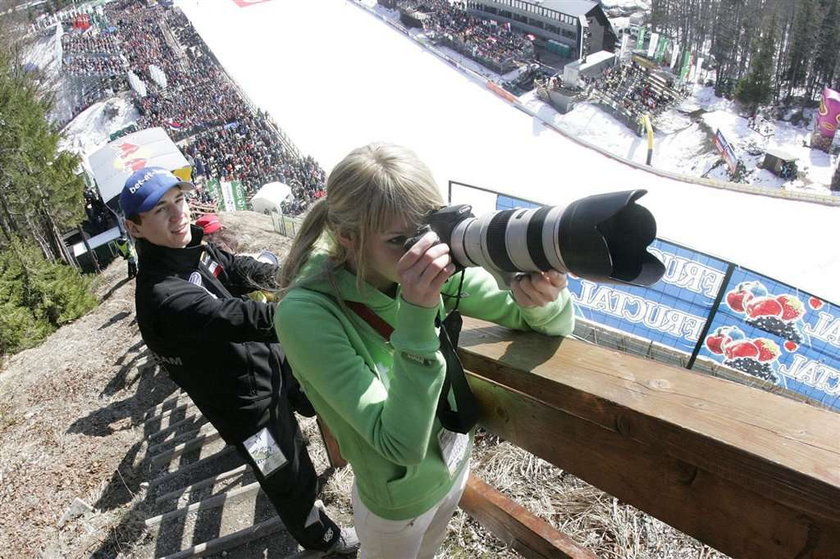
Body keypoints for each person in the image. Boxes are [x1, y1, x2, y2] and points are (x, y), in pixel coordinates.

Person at [274, 143, 575, 559]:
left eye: (428, 233)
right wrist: (417, 315)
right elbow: (398, 444)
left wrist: (543, 296)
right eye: (400, 239)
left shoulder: (409, 266)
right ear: (347, 236)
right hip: (397, 504)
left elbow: (543, 320)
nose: (420, 252)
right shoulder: (306, 315)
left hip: (453, 467)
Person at [119, 167, 358, 557]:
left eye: (179, 200)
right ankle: (322, 538)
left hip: (272, 367)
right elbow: (252, 319)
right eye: (160, 209)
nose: (178, 214)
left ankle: (331, 468)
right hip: (247, 415)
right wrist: (320, 303)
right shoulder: (163, 297)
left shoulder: (188, 251)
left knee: (321, 413)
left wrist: (287, 275)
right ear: (135, 227)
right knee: (284, 477)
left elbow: (236, 269)